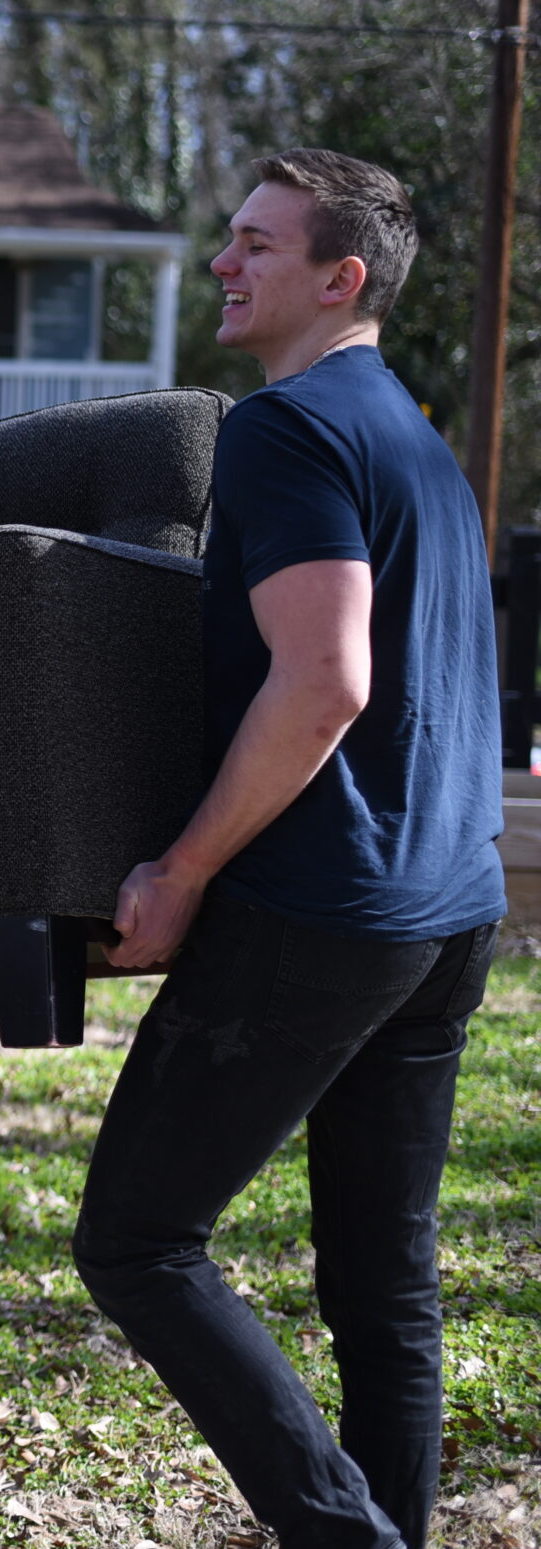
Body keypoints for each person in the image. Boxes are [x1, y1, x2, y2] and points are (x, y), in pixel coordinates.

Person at [73, 150, 502, 1549]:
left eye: (255, 244)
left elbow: (325, 683)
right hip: (448, 912)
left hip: (322, 909)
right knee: (385, 1282)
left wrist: (183, 867)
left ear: (342, 277)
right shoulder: (419, 443)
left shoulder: (289, 427)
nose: (222, 264)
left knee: (137, 1240)